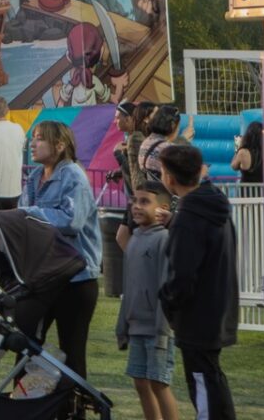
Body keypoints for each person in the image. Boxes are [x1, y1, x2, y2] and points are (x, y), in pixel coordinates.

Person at [20, 119, 102, 390]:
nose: (33, 143)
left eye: (40, 138)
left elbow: (71, 220)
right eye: (33, 138)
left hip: (77, 279)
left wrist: (30, 215)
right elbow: (21, 219)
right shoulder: (34, 178)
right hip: (45, 277)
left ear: (59, 145)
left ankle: (74, 410)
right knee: (24, 343)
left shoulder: (73, 176)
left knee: (72, 352)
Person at [157, 145, 238, 420]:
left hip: (196, 314)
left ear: (169, 177)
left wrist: (169, 304)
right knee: (212, 377)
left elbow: (182, 275)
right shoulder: (213, 204)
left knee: (204, 382)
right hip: (218, 307)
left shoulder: (191, 216)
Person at [117, 178, 179, 420]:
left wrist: (163, 331)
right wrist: (122, 325)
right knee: (141, 383)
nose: (137, 206)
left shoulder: (163, 239)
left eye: (145, 201)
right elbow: (129, 285)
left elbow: (166, 287)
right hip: (137, 327)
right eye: (134, 200)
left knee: (159, 383)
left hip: (157, 329)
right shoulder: (134, 240)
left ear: (163, 208)